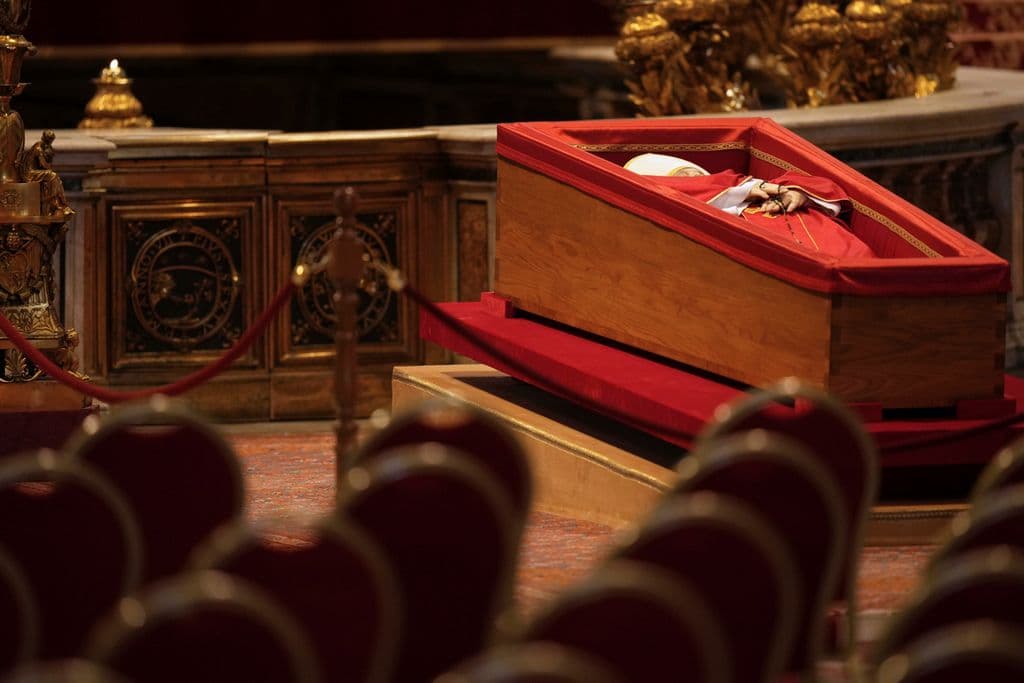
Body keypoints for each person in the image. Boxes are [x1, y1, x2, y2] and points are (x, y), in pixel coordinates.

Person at [624, 153, 875, 258]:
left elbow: (827, 190)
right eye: (681, 179)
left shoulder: (769, 187)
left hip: (850, 257)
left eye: (693, 173)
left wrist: (799, 194)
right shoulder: (705, 223)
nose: (693, 180)